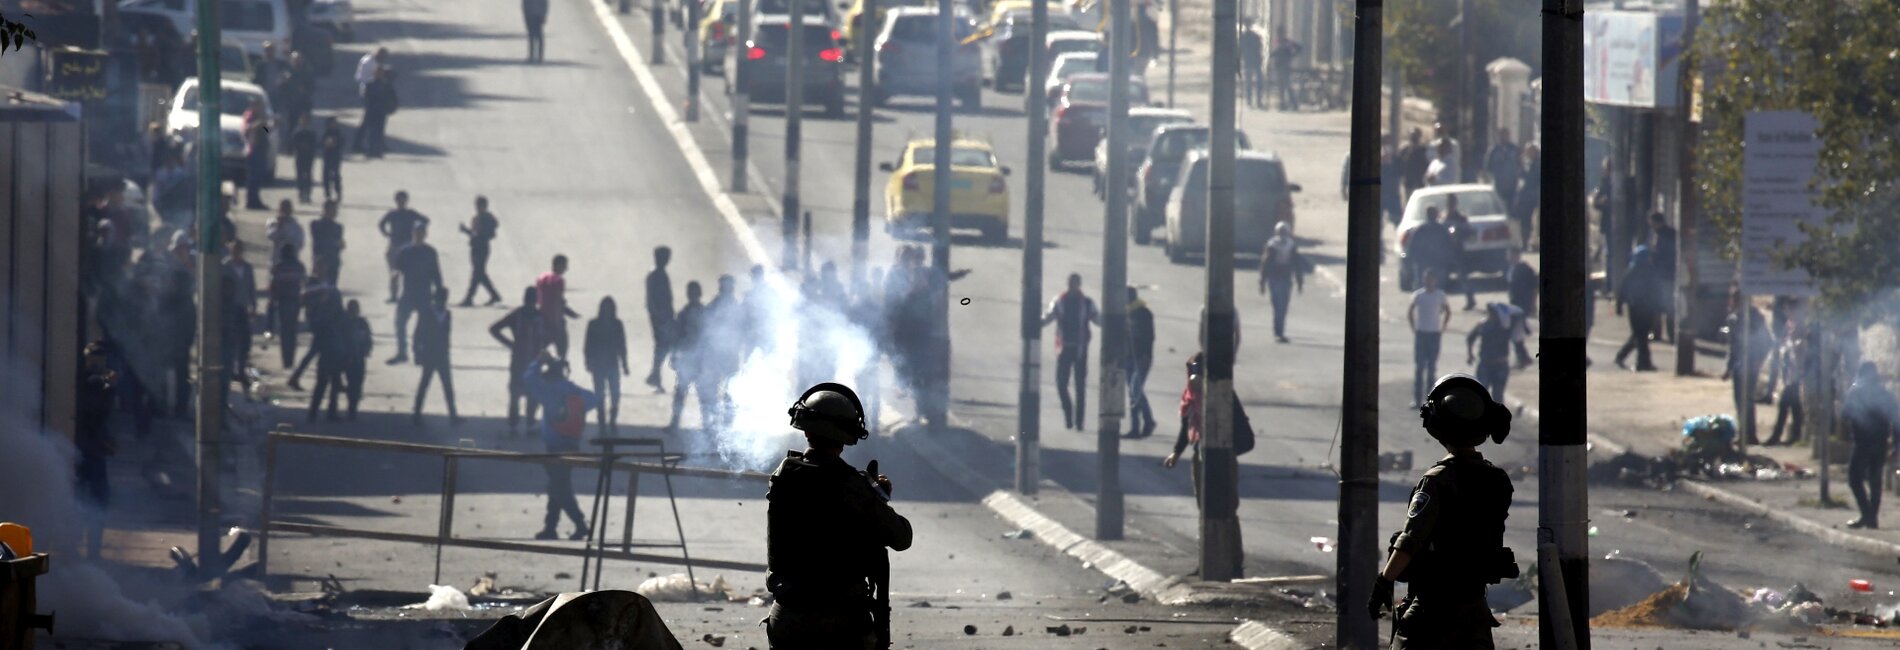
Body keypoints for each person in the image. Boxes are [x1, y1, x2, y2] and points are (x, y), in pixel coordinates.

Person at [1369, 374, 1517, 648]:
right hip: (1475, 611)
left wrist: (1384, 581)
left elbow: (1411, 540)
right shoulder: (1498, 480)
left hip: (1433, 609)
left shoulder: (1436, 481)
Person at [766, 383, 913, 649]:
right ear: (847, 437)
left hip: (788, 616)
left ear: (806, 430)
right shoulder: (854, 486)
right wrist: (878, 498)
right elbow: (902, 537)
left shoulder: (784, 475)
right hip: (841, 622)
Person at [521, 353, 598, 540]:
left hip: (555, 446)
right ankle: (550, 527)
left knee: (558, 488)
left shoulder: (549, 391)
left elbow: (528, 379)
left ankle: (580, 524)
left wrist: (538, 361)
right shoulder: (575, 391)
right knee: (557, 485)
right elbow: (595, 398)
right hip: (572, 444)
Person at [1041, 273, 1100, 431]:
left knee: (1080, 387)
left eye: (1074, 283)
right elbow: (1048, 316)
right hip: (1064, 348)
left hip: (1081, 348)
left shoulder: (1088, 303)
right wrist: (1036, 323)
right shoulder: (1059, 301)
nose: (1071, 286)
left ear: (1079, 284)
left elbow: (1098, 320)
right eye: (1069, 283)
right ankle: (1068, 412)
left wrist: (1115, 322)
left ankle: (1079, 422)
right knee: (1061, 384)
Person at [1842, 362, 1896, 529]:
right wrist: (1896, 444)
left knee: (1854, 478)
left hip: (1862, 443)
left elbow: (1844, 414)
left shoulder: (1856, 392)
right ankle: (1872, 518)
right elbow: (1896, 420)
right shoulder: (1886, 394)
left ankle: (1867, 514)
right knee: (1875, 480)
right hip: (1880, 443)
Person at [76, 342, 117, 559]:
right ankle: (80, 552)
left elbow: (102, 421)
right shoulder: (89, 383)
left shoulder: (99, 383)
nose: (97, 365)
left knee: (98, 504)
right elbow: (92, 410)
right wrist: (107, 385)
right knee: (87, 503)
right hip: (84, 451)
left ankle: (92, 552)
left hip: (93, 451)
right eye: (93, 360)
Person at [492, 287, 548, 433]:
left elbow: (548, 335)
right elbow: (494, 329)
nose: (530, 304)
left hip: (533, 362)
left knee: (532, 393)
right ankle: (514, 423)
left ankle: (528, 421)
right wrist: (510, 344)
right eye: (529, 301)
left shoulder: (539, 317)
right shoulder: (518, 316)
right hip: (520, 361)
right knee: (517, 393)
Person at [1722, 289, 1773, 444]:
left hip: (1751, 364)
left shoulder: (1755, 317)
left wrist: (1758, 361)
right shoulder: (1733, 319)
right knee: (1738, 399)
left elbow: (1767, 342)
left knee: (1747, 400)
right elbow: (1733, 347)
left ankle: (1750, 434)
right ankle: (1743, 432)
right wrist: (1729, 368)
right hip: (1738, 366)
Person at [388, 224, 443, 364]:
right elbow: (397, 269)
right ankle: (402, 352)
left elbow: (436, 273)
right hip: (408, 293)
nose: (418, 235)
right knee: (400, 322)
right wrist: (394, 282)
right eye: (416, 233)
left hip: (424, 294)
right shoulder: (405, 251)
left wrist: (439, 292)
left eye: (421, 233)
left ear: (425, 234)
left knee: (422, 326)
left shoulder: (430, 252)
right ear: (412, 233)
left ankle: (418, 353)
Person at [667, 281, 711, 433]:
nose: (692, 295)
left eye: (694, 292)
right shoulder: (684, 313)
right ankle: (675, 423)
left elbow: (709, 337)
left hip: (698, 358)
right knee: (680, 393)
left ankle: (706, 424)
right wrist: (674, 354)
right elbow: (676, 336)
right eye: (690, 292)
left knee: (702, 394)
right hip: (687, 358)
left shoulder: (702, 313)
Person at [287, 268, 341, 390]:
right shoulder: (312, 286)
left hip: (328, 324)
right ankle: (295, 378)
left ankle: (295, 377)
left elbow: (336, 303)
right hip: (319, 325)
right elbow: (304, 302)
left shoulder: (328, 285)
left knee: (324, 353)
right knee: (323, 353)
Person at [412, 287, 460, 425]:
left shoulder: (447, 314)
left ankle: (453, 415)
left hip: (442, 355)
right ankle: (417, 414)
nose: (442, 302)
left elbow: (447, 336)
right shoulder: (426, 313)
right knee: (425, 384)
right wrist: (417, 352)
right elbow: (418, 334)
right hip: (430, 354)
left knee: (447, 385)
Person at [309, 295, 360, 422]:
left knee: (326, 385)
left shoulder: (325, 317)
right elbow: (350, 339)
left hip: (331, 357)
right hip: (335, 356)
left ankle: (316, 412)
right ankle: (325, 412)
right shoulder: (341, 319)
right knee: (330, 385)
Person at [583, 297, 630, 431]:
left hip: (612, 364)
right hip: (598, 365)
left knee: (615, 393)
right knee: (600, 394)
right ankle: (602, 420)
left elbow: (622, 345)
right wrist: (588, 361)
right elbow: (588, 345)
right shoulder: (593, 324)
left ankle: (612, 419)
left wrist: (625, 364)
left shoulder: (617, 324)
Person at [1614, 245, 1662, 372]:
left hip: (1637, 308)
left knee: (1639, 335)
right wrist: (1659, 308)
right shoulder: (1647, 271)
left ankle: (1622, 356)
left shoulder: (1633, 270)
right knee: (1641, 336)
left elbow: (1622, 290)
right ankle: (1643, 363)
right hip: (1643, 308)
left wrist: (1619, 306)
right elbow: (1656, 291)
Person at [1257, 222, 1307, 343]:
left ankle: (1279, 331)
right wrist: (1262, 281)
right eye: (1281, 232)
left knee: (1281, 306)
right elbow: (1266, 263)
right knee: (1280, 306)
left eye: (1284, 232)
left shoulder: (1285, 245)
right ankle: (1278, 332)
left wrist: (1300, 281)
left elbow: (1296, 263)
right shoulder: (1276, 245)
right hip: (1279, 279)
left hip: (1282, 279)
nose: (1282, 235)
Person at [1408, 270, 1451, 408]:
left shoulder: (1440, 295)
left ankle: (1431, 400)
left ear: (1435, 280)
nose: (1428, 282)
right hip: (1421, 333)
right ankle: (1417, 398)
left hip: (1434, 334)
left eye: (1431, 279)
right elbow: (1410, 311)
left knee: (1432, 368)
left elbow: (1448, 311)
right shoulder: (1418, 295)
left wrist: (1443, 326)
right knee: (1419, 367)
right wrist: (1413, 327)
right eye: (1426, 279)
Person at [379, 190, 430, 303]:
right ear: (396, 201)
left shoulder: (410, 213)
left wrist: (418, 232)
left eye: (403, 200)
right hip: (395, 245)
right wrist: (387, 234)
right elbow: (381, 224)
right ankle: (394, 295)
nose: (401, 202)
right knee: (394, 273)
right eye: (399, 200)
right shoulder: (393, 214)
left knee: (408, 273)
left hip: (407, 247)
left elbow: (426, 220)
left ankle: (407, 295)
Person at [1766, 321, 1808, 447]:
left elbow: (1798, 363)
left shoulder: (1799, 344)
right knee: (1795, 407)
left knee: (1785, 405)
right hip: (1790, 380)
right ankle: (1795, 435)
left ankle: (1778, 435)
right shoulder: (1790, 342)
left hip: (1794, 380)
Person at [223, 241, 259, 387]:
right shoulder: (225, 266)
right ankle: (231, 369)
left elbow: (251, 287)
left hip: (243, 308)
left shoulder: (247, 267)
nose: (236, 253)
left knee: (245, 342)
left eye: (238, 250)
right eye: (233, 250)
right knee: (231, 340)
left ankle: (241, 369)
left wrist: (254, 306)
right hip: (229, 309)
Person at [268, 244, 308, 370]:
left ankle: (286, 360)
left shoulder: (278, 267)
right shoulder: (299, 266)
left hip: (283, 301)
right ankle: (290, 359)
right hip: (294, 302)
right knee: (292, 331)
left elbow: (273, 285)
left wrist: (272, 299)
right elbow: (304, 285)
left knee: (285, 331)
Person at [1124, 286, 1157, 439]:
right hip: (1128, 357)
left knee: (1135, 388)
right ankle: (1135, 428)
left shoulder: (1144, 313)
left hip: (1141, 358)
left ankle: (1149, 421)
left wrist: (1146, 356)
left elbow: (1150, 337)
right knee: (1133, 392)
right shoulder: (1125, 311)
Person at [459, 196, 503, 306]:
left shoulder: (486, 218)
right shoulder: (477, 218)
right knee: (480, 274)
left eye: (479, 205)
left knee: (477, 273)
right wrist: (466, 231)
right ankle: (494, 295)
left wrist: (469, 232)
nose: (477, 207)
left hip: (482, 248)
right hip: (475, 247)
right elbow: (474, 233)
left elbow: (485, 234)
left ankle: (469, 298)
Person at [1466, 303, 1514, 404]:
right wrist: (1470, 354)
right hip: (1486, 364)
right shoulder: (1483, 325)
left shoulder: (1505, 325)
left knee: (1498, 397)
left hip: (1500, 365)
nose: (1492, 315)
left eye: (1494, 313)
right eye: (1491, 312)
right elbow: (1470, 338)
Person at [537, 254, 582, 360]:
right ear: (558, 265)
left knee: (538, 351)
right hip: (555, 322)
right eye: (564, 265)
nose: (566, 268)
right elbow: (557, 302)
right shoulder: (558, 280)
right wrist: (559, 322)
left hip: (542, 319)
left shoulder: (541, 277)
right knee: (562, 354)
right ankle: (560, 372)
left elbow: (541, 299)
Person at [644, 246, 675, 391]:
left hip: (665, 315)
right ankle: (655, 375)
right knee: (662, 345)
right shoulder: (655, 275)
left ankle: (655, 374)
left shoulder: (661, 274)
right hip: (659, 317)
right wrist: (657, 315)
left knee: (663, 346)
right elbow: (651, 298)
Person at [1405, 206, 1454, 295]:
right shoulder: (1440, 229)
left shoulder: (1421, 229)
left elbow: (1411, 248)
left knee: (1424, 289)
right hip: (1433, 263)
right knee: (1436, 289)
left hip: (1431, 263)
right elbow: (1449, 246)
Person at [1442, 194, 1475, 311]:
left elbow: (1469, 231)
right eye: (1448, 203)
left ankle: (1470, 300)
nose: (1450, 206)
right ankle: (1441, 303)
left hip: (1458, 251)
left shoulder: (1460, 218)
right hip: (1446, 251)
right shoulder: (1444, 217)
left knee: (1463, 277)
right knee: (1442, 278)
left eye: (1452, 203)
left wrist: (1459, 235)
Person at [1649, 212, 1679, 343]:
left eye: (1652, 223)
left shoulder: (1664, 235)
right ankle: (1669, 334)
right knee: (1666, 306)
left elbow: (1662, 255)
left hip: (1664, 275)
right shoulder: (1669, 233)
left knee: (1661, 306)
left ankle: (1661, 333)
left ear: (1657, 222)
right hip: (1667, 275)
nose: (1652, 226)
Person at [360, 66, 399, 158]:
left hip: (381, 111)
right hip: (371, 110)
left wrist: (392, 108)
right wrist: (367, 106)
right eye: (377, 73)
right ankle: (370, 150)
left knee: (379, 131)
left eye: (380, 73)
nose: (378, 74)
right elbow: (365, 97)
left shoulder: (386, 85)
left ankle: (377, 151)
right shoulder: (370, 84)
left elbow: (393, 97)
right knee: (371, 131)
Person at [242, 100, 271, 210]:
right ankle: (250, 200)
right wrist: (259, 123)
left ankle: (256, 199)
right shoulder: (249, 116)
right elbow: (247, 130)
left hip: (261, 149)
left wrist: (272, 125)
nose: (261, 109)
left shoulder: (261, 118)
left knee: (259, 177)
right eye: (259, 106)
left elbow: (267, 131)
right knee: (252, 177)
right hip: (253, 150)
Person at [1511, 144, 1541, 249]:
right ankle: (1525, 242)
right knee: (1525, 220)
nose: (1527, 154)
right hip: (1525, 197)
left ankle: (1531, 241)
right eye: (1527, 151)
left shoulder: (1537, 164)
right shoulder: (1526, 164)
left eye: (1530, 151)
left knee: (1532, 220)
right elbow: (1520, 178)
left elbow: (1533, 178)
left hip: (1534, 196)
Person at [310, 200, 345, 285]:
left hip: (334, 261)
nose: (335, 212)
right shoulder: (316, 224)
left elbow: (339, 243)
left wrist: (341, 245)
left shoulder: (338, 227)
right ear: (326, 210)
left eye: (335, 210)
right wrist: (334, 243)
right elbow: (318, 242)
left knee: (332, 287)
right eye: (333, 209)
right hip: (321, 261)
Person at [1483, 128, 1520, 208]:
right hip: (1498, 184)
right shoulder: (1493, 150)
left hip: (1512, 184)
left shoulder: (1515, 149)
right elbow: (1488, 167)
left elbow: (1520, 165)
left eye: (1505, 135)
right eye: (1501, 135)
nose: (1503, 137)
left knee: (1511, 207)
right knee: (1499, 206)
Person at [1269, 26, 1302, 111]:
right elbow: (1276, 53)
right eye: (1278, 33)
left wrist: (1292, 55)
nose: (1279, 34)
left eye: (1280, 33)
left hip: (1285, 67)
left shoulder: (1287, 42)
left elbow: (1299, 48)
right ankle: (1282, 104)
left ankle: (1294, 104)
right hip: (1279, 67)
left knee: (1287, 86)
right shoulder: (1278, 42)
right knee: (1281, 87)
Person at [267, 200, 306, 267]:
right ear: (279, 209)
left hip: (292, 260)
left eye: (287, 208)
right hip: (277, 260)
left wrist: (290, 247)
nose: (285, 211)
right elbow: (270, 236)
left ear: (291, 210)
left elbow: (300, 243)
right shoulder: (273, 222)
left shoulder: (296, 226)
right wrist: (279, 226)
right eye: (283, 208)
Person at [1397, 128, 1430, 204]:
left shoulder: (1423, 149)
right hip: (1408, 180)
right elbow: (1400, 162)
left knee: (1421, 201)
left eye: (1415, 135)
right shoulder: (1405, 149)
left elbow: (1426, 163)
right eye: (1412, 135)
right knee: (1408, 202)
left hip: (1420, 180)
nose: (1414, 138)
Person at [291, 115, 318, 204]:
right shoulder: (297, 132)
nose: (304, 122)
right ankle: (301, 192)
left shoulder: (311, 133)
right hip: (300, 156)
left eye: (306, 120)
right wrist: (300, 147)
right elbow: (292, 143)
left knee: (308, 175)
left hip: (309, 156)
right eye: (302, 120)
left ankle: (307, 193)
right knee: (300, 175)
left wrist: (309, 148)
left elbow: (315, 144)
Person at [1238, 22, 1264, 109]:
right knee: (1255, 81)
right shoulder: (1254, 36)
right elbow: (1259, 47)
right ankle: (1256, 101)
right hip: (1254, 60)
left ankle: (1251, 101)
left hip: (1249, 60)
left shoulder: (1244, 36)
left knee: (1249, 82)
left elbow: (1240, 49)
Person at [321, 117, 346, 202]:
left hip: (336, 156)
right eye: (331, 123)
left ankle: (338, 192)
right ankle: (327, 192)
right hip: (327, 156)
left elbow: (342, 142)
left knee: (336, 176)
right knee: (326, 175)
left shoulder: (338, 133)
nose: (333, 125)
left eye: (334, 123)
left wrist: (335, 143)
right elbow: (321, 143)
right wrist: (326, 144)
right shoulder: (326, 133)